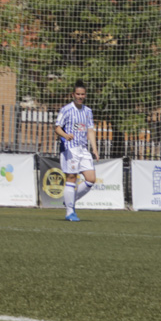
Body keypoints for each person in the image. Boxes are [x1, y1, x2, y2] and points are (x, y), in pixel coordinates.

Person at [54, 81, 98, 222]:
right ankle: (69, 212)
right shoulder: (66, 109)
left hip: (83, 148)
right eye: (77, 94)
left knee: (91, 179)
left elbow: (90, 130)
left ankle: (69, 200)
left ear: (85, 95)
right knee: (71, 178)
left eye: (82, 94)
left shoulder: (87, 111)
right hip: (70, 148)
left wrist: (95, 149)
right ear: (73, 94)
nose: (80, 96)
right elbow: (57, 127)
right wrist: (65, 135)